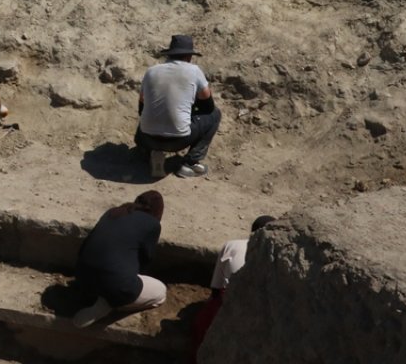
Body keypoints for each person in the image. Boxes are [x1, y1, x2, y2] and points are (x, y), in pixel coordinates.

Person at [72, 190, 168, 328]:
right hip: (115, 286)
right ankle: (106, 304)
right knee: (161, 292)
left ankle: (98, 295)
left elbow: (85, 246)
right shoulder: (153, 224)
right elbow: (145, 260)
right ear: (157, 212)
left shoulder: (113, 212)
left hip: (82, 277)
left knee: (112, 275)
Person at [189, 215, 276, 363]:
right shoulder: (276, 256)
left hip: (227, 301)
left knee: (201, 329)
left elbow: (216, 287)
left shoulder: (233, 245)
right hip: (258, 313)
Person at [136, 34, 220, 179]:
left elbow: (141, 107)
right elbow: (209, 106)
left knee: (148, 117)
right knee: (215, 115)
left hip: (146, 137)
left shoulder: (151, 71)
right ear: (189, 56)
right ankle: (190, 163)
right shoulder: (194, 71)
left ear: (169, 55)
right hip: (178, 141)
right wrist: (192, 109)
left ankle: (151, 153)